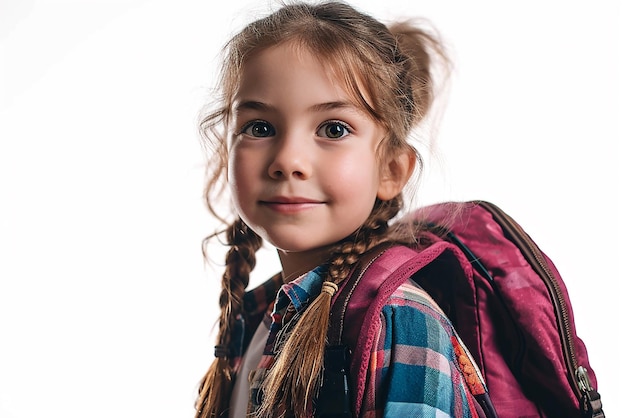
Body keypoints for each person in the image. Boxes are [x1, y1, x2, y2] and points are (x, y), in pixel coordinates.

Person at [194, 1, 489, 417]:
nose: (288, 160)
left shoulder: (399, 322)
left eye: (334, 129)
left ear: (390, 169)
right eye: (260, 128)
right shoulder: (259, 319)